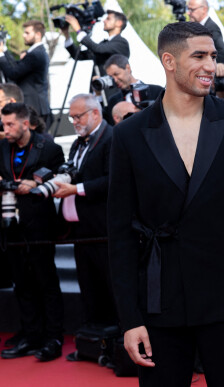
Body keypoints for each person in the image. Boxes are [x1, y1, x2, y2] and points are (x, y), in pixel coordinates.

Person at [108, 22, 224, 387]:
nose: (211, 66)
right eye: (200, 56)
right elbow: (119, 234)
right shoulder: (130, 133)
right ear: (169, 61)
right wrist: (130, 318)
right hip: (159, 303)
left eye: (214, 56)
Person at [0, 103, 65, 362]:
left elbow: (62, 178)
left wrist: (36, 184)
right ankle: (31, 333)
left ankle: (54, 337)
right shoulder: (1, 147)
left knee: (46, 281)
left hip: (40, 225)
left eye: (10, 124)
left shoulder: (49, 148)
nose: (5, 130)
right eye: (3, 125)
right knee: (21, 282)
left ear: (26, 123)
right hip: (9, 225)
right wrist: (10, 185)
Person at [52, 94, 117, 338]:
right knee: (88, 284)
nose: (74, 122)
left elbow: (113, 180)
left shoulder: (111, 139)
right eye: (71, 117)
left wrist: (76, 189)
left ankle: (116, 339)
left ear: (95, 113)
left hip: (103, 228)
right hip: (80, 227)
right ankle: (92, 335)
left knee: (108, 282)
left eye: (78, 116)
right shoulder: (80, 142)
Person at [0, 21, 52, 128]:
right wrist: (4, 50)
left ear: (38, 34)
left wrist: (1, 54)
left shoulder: (36, 54)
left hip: (34, 106)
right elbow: (16, 66)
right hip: (36, 105)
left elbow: (13, 73)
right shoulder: (36, 53)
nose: (24, 35)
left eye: (27, 33)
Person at [62, 10, 130, 81]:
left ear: (119, 23)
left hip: (113, 90)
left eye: (108, 19)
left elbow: (97, 48)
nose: (104, 21)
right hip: (97, 89)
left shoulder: (121, 43)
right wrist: (66, 34)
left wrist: (78, 30)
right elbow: (78, 55)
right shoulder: (104, 44)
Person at [103, 54, 163, 122]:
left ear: (128, 68)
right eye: (111, 77)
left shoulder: (157, 91)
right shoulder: (113, 101)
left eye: (116, 74)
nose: (115, 80)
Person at [187, 0, 224, 77]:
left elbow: (222, 50)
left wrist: (218, 64)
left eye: (192, 10)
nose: (188, 13)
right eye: (188, 9)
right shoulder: (198, 27)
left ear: (204, 9)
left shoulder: (211, 27)